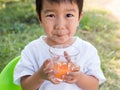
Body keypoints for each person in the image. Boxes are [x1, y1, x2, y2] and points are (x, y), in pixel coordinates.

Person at [14, 0, 106, 90]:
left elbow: (94, 86)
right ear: (40, 18)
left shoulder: (87, 50)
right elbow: (25, 87)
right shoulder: (32, 50)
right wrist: (40, 75)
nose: (60, 25)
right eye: (51, 15)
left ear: (79, 18)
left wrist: (80, 77)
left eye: (69, 15)